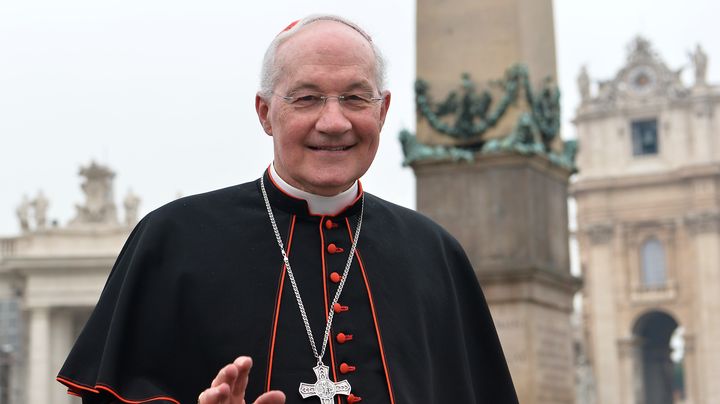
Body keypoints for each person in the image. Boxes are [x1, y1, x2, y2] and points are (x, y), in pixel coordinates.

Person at [57, 14, 518, 404]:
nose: (334, 122)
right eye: (306, 98)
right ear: (264, 113)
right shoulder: (172, 238)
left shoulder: (436, 253)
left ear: (382, 111)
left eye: (356, 98)